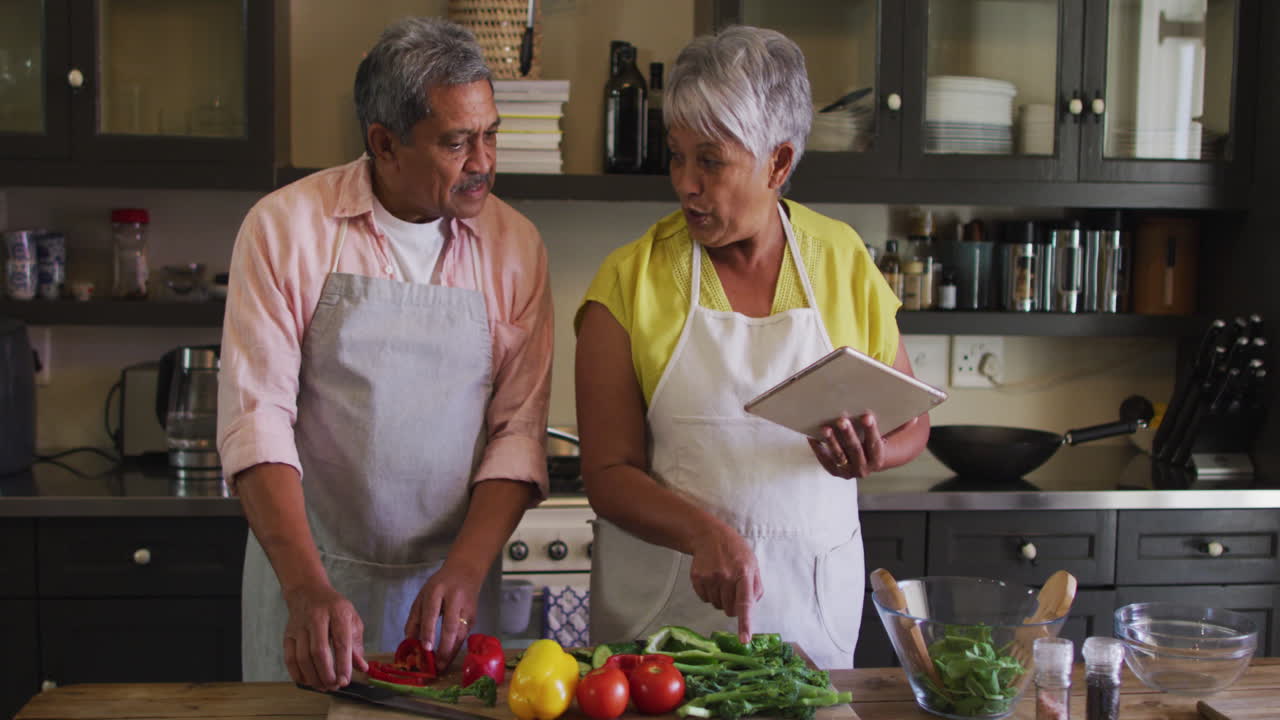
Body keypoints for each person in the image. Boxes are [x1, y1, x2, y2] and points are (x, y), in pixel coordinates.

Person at [575, 25, 930, 670]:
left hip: (810, 615)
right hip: (664, 626)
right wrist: (704, 533)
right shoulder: (630, 281)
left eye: (710, 160)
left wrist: (871, 456)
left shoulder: (844, 260)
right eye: (675, 155)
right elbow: (606, 474)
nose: (685, 182)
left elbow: (914, 421)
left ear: (778, 163)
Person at [217, 17, 552, 689]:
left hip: (451, 597)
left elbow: (516, 431)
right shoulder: (285, 230)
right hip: (310, 578)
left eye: (491, 134)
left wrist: (464, 569)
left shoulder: (516, 248)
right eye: (458, 141)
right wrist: (306, 588)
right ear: (384, 143)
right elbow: (257, 421)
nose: (484, 161)